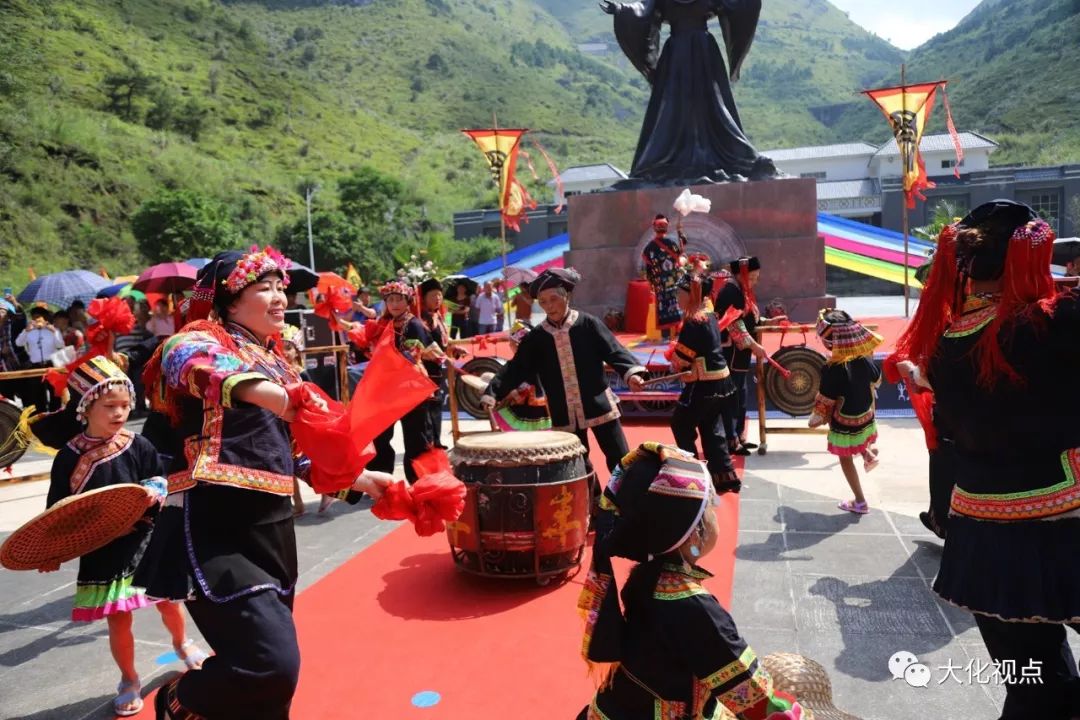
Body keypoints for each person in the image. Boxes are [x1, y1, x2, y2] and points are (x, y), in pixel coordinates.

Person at [136, 247, 391, 719]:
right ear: (230, 301)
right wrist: (273, 396)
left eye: (280, 287)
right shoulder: (197, 340)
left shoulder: (280, 365)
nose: (279, 296)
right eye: (264, 287)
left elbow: (292, 454)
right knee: (270, 665)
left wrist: (363, 479)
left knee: (271, 692)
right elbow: (193, 362)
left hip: (271, 529)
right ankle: (178, 701)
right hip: (216, 525)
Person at [893, 200, 1080, 718]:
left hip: (982, 531)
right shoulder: (1055, 322)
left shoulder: (945, 345)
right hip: (1063, 523)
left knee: (1031, 684)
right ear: (1028, 258)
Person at [576, 443, 803, 719]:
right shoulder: (694, 607)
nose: (716, 511)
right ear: (694, 534)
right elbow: (753, 695)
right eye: (711, 506)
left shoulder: (647, 576)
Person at [38, 356, 206, 717]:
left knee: (168, 601)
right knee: (118, 618)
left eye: (125, 405)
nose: (119, 413)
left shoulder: (139, 444)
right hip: (103, 547)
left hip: (145, 536)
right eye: (109, 406)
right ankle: (129, 679)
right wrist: (51, 550)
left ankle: (181, 642)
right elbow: (59, 508)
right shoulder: (68, 457)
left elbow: (158, 479)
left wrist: (152, 492)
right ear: (85, 408)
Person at [481, 268, 648, 474]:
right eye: (543, 302)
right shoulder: (537, 337)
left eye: (553, 299)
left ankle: (622, 504)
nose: (549, 306)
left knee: (620, 459)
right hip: (563, 411)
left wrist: (632, 373)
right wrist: (492, 391)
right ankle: (590, 502)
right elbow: (517, 368)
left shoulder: (588, 324)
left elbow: (614, 351)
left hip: (598, 404)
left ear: (566, 296)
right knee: (576, 465)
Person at [668, 269, 740, 493]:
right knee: (711, 429)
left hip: (703, 385)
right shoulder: (708, 314)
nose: (677, 298)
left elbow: (681, 359)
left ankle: (693, 477)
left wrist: (673, 359)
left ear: (693, 294)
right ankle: (724, 478)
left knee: (681, 425)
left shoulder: (693, 320)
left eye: (680, 293)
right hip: (722, 383)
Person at [363, 279, 440, 484]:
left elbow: (414, 354)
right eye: (390, 300)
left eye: (399, 299)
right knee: (380, 435)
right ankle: (381, 479)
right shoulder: (383, 324)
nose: (394, 304)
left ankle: (419, 481)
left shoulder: (414, 324)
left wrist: (386, 358)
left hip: (410, 388)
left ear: (408, 302)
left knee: (416, 438)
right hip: (387, 388)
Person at [808, 309, 882, 515]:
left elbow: (824, 402)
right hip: (865, 416)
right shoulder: (864, 358)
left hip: (845, 421)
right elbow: (876, 379)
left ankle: (859, 501)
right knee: (856, 436)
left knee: (845, 455)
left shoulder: (832, 368)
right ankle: (866, 452)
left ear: (828, 342)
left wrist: (817, 418)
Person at [714, 256, 768, 455]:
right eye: (752, 277)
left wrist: (766, 321)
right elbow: (735, 325)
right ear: (741, 274)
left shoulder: (742, 292)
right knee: (732, 397)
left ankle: (739, 435)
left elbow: (748, 317)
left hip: (741, 354)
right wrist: (754, 345)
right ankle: (731, 439)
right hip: (732, 352)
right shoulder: (731, 292)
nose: (755, 281)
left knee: (741, 396)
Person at [418, 277, 451, 448]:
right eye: (433, 295)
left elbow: (444, 341)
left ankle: (436, 439)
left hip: (438, 366)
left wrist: (454, 350)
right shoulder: (422, 319)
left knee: (436, 404)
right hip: (426, 367)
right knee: (428, 405)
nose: (437, 299)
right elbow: (428, 342)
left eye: (439, 295)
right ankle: (429, 440)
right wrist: (445, 358)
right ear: (423, 299)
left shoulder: (438, 316)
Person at [641, 214, 686, 333]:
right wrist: (680, 231)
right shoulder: (671, 243)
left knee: (662, 306)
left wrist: (651, 281)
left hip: (660, 284)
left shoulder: (649, 247)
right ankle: (677, 332)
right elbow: (681, 252)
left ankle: (665, 333)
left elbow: (648, 266)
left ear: (654, 228)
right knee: (675, 303)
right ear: (666, 227)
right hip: (673, 280)